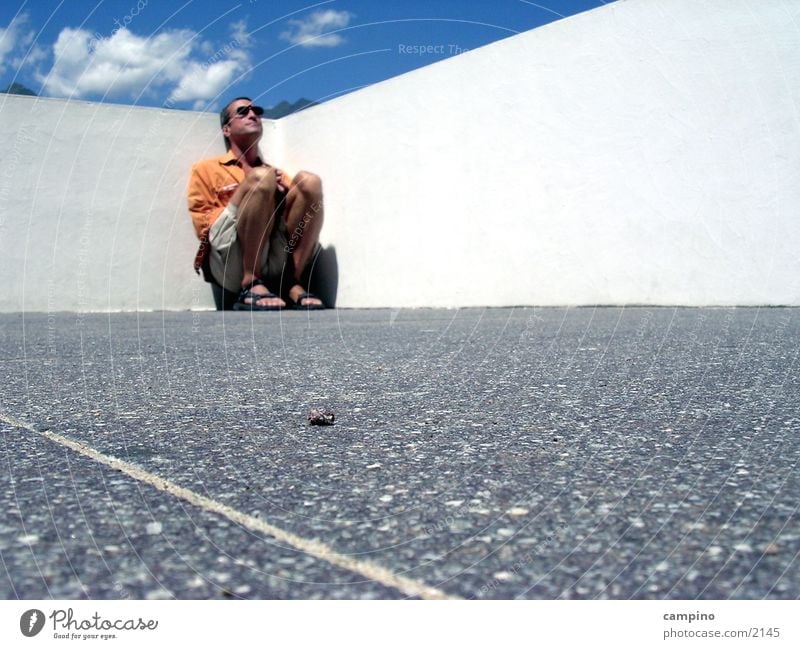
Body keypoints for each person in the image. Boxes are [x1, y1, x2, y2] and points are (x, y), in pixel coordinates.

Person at [188, 96, 325, 310]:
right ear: (227, 129)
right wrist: (250, 190)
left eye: (257, 111)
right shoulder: (206, 169)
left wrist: (278, 195)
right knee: (261, 177)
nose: (253, 115)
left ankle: (292, 281)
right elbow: (205, 227)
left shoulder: (273, 173)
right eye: (243, 112)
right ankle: (250, 281)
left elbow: (292, 221)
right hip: (230, 258)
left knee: (310, 182)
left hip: (274, 254)